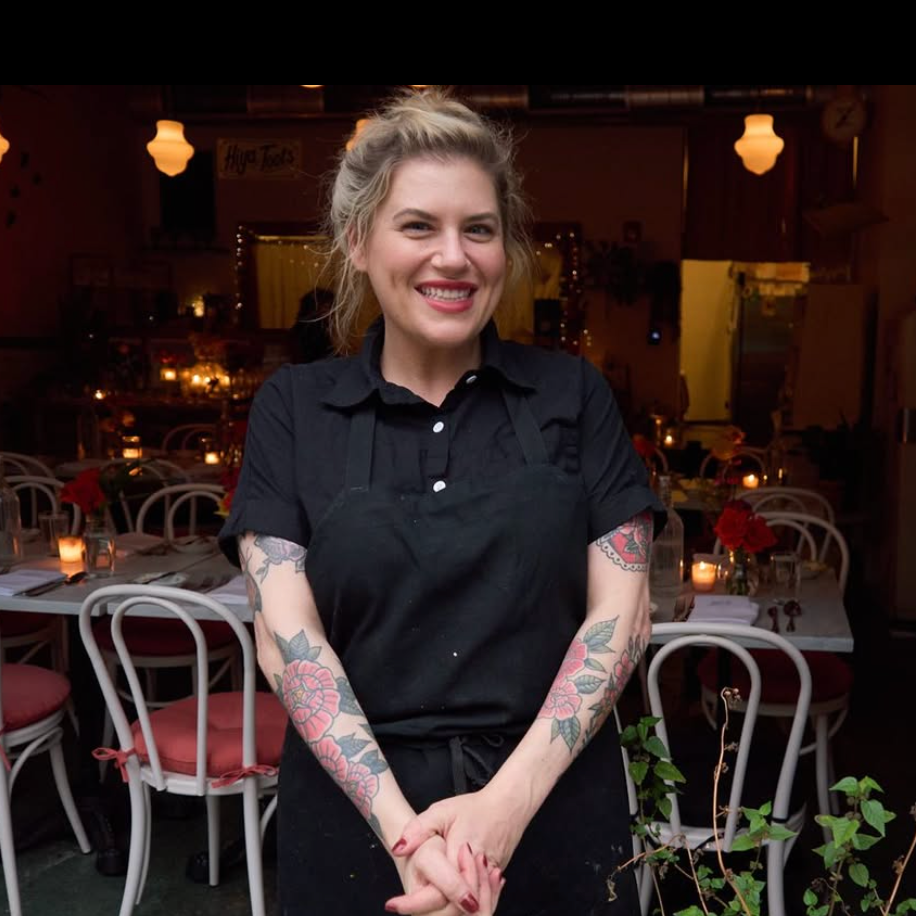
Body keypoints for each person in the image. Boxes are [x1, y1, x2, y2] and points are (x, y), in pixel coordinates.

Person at [219, 89, 663, 915]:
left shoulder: (572, 393)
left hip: (551, 807)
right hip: (360, 824)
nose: (453, 257)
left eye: (480, 229)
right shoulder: (294, 408)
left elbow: (623, 617)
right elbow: (287, 639)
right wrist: (410, 841)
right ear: (358, 242)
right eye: (419, 226)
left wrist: (502, 812)